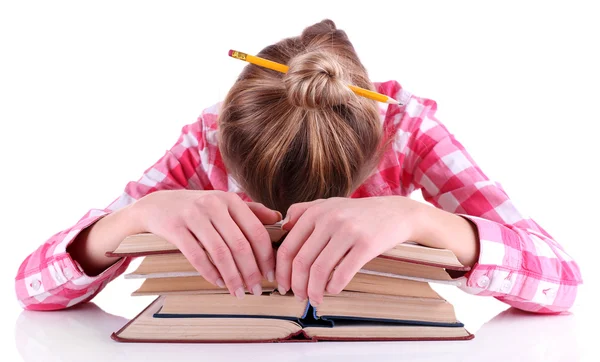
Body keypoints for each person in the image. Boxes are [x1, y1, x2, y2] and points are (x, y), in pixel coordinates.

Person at [15, 19, 581, 313]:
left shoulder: (405, 128)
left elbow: (563, 282)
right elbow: (32, 289)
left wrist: (426, 222)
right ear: (223, 142)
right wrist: (131, 219)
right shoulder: (205, 138)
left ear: (377, 151)